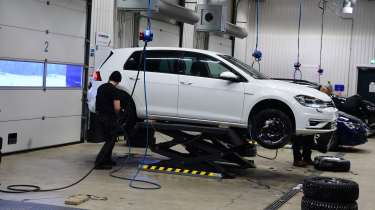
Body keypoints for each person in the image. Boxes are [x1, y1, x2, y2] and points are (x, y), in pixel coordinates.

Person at [94, 71, 122, 170]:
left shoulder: (101, 87)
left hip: (99, 116)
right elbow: (117, 107)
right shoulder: (115, 90)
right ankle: (99, 162)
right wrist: (119, 115)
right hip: (109, 117)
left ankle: (107, 160)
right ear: (118, 81)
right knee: (110, 140)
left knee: (110, 139)